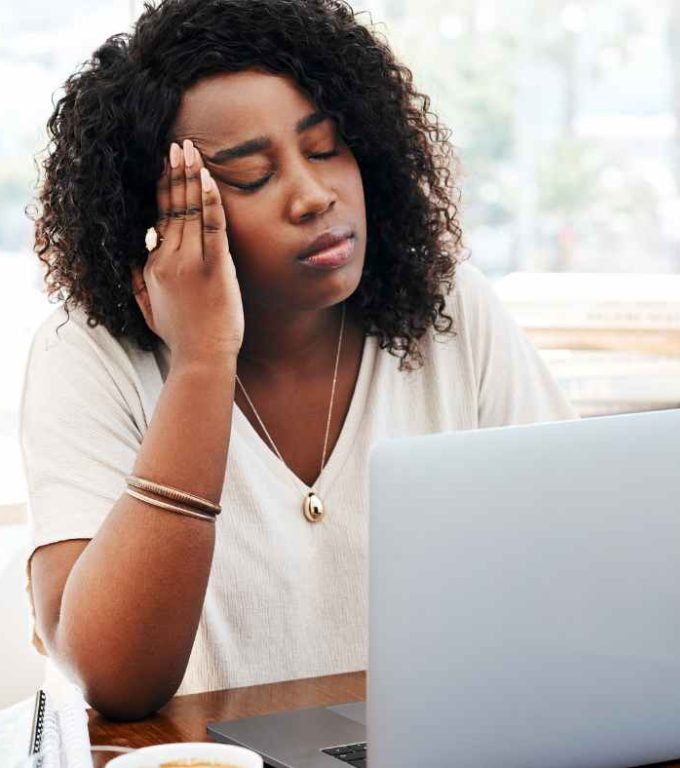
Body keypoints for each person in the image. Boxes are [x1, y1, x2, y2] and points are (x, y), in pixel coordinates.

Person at [20, 0, 576, 722]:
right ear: (154, 221)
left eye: (326, 149)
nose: (314, 196)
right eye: (251, 175)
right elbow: (117, 679)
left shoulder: (449, 313)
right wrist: (201, 363)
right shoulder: (87, 357)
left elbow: (573, 563)